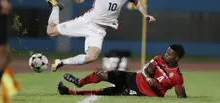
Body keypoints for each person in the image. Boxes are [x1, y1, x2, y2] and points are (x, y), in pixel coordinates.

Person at [45, 0, 156, 72]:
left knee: (92, 57)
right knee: (50, 31)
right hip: (86, 22)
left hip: (99, 31)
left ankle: (61, 62)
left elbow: (137, 2)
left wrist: (145, 14)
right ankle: (55, 8)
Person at [58, 44, 187, 98]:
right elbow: (146, 71)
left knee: (107, 92)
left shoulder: (176, 76)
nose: (166, 54)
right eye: (166, 51)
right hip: (134, 78)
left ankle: (71, 92)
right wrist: (147, 77)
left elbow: (181, 97)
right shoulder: (159, 59)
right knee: (102, 74)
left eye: (169, 54)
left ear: (177, 58)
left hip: (144, 93)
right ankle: (80, 82)